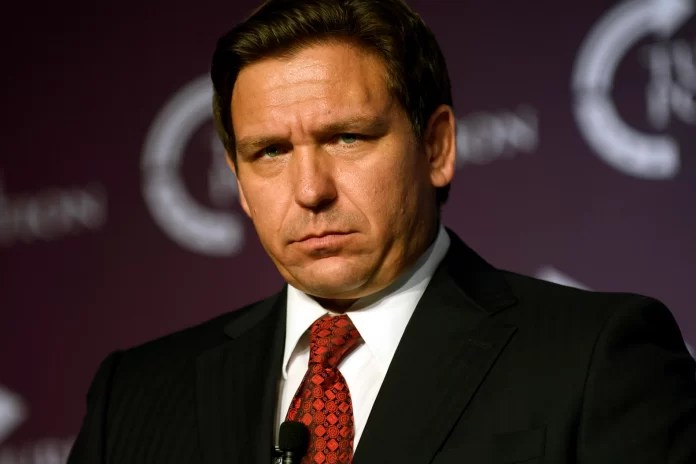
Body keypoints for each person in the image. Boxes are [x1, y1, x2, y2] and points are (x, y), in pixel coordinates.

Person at [68, 0, 696, 463]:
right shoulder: (136, 397)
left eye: (347, 138)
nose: (310, 190)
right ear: (238, 180)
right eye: (270, 152)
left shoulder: (596, 358)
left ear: (436, 147)